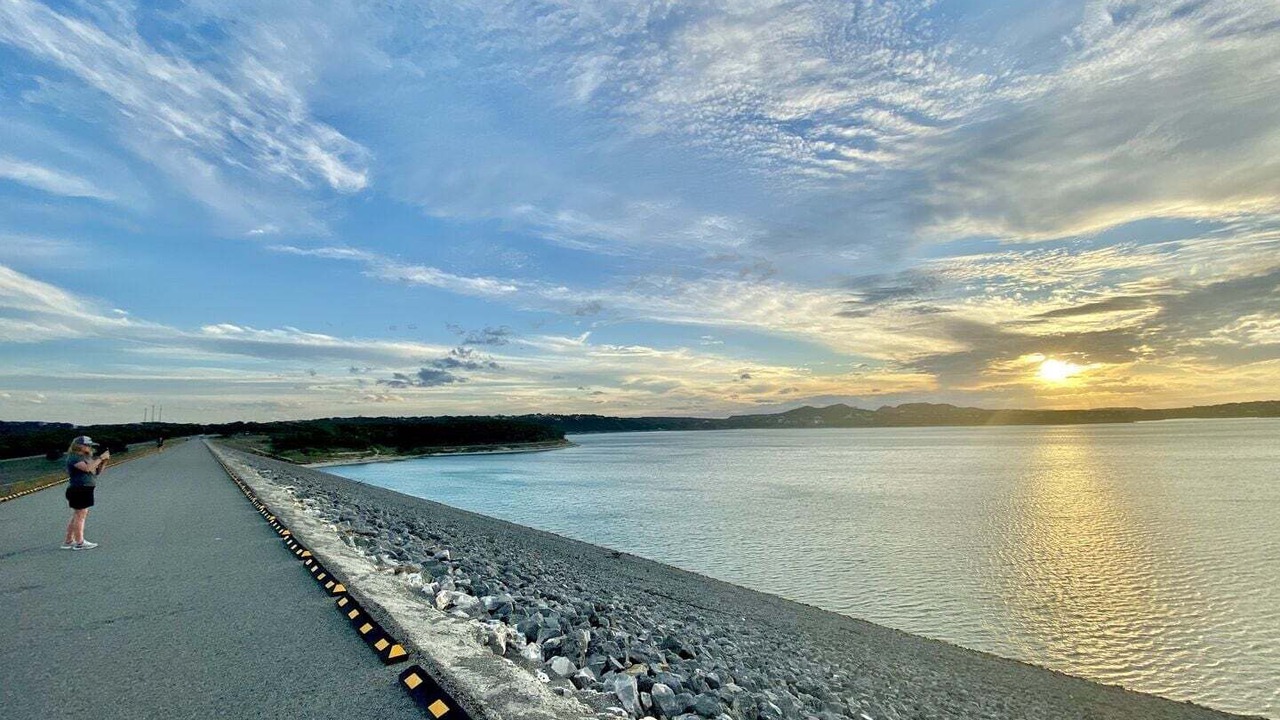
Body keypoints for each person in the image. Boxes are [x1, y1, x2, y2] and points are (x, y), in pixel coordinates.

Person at [62, 436, 109, 550]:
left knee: (78, 515)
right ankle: (80, 542)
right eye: (87, 445)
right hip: (79, 489)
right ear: (79, 446)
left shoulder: (87, 457)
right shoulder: (74, 457)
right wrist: (100, 458)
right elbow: (87, 469)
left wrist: (104, 461)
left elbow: (95, 472)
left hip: (86, 488)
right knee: (80, 515)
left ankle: (69, 540)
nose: (90, 447)